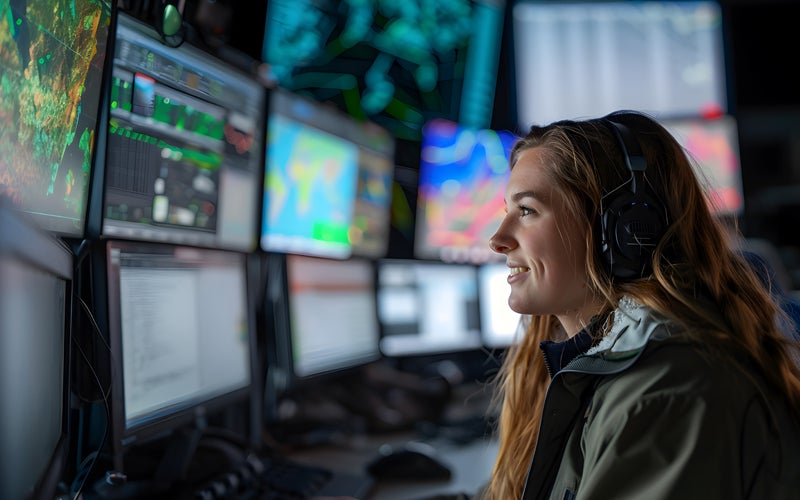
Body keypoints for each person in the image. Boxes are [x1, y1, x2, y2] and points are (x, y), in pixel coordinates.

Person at [481, 110, 800, 499]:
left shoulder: (668, 388)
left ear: (624, 229)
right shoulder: (599, 366)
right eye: (506, 212)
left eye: (527, 210)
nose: (498, 240)